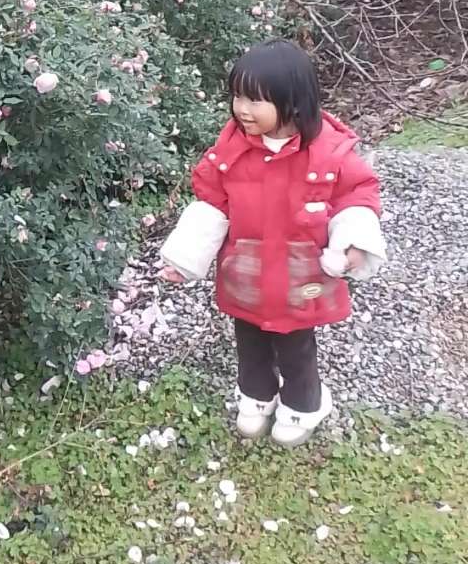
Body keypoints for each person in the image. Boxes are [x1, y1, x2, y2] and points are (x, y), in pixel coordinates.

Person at [160, 39, 385, 447]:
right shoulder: (231, 151)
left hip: (303, 279)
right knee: (249, 342)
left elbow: (357, 195)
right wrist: (185, 257)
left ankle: (303, 404)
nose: (242, 109)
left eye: (255, 100)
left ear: (293, 102)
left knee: (296, 346)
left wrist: (353, 241)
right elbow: (212, 202)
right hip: (246, 274)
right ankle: (256, 397)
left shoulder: (328, 153)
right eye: (238, 97)